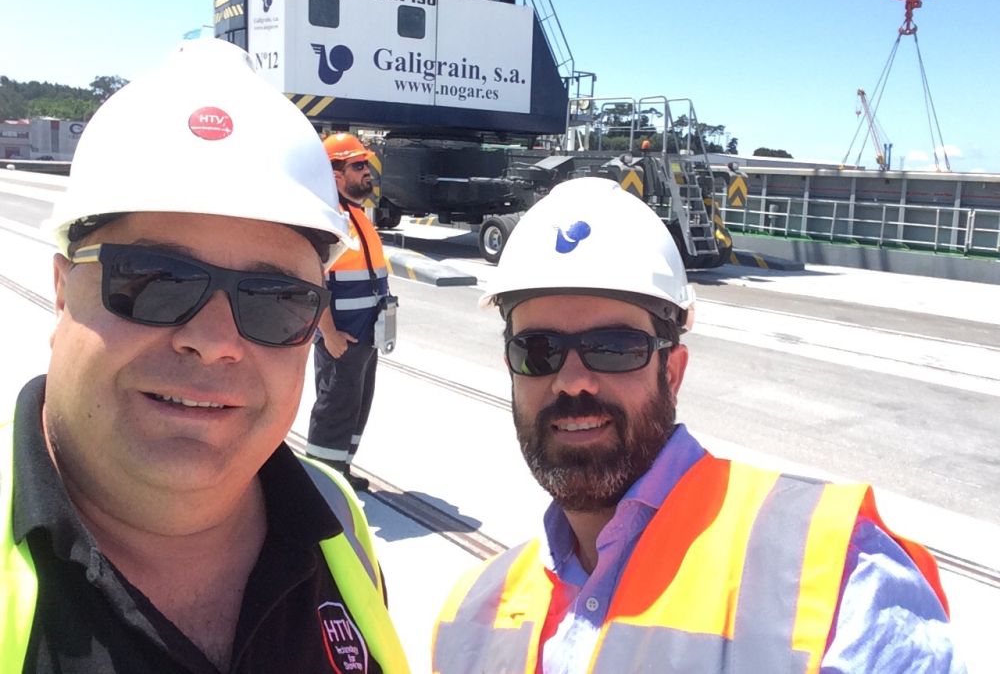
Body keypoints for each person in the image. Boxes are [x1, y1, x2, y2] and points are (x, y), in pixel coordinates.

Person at [433, 177, 964, 673]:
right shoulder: (469, 616)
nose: (572, 382)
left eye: (615, 348)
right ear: (511, 368)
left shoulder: (834, 573)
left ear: (673, 372)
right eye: (538, 350)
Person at [2, 39, 409, 673]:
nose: (215, 341)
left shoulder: (337, 519)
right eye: (154, 281)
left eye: (275, 300)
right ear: (62, 290)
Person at [307, 133, 395, 492]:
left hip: (366, 333)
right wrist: (328, 333)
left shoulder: (356, 214)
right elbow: (314, 279)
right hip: (342, 334)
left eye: (366, 164)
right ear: (335, 173)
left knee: (357, 404)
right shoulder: (329, 219)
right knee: (335, 407)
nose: (366, 171)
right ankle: (322, 481)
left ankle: (340, 469)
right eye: (358, 165)